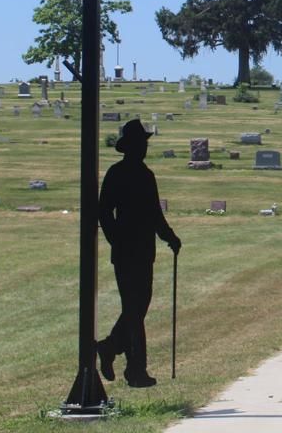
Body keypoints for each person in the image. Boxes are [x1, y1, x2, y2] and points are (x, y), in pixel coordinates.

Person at [96, 118, 181, 387]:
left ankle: (117, 353)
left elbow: (155, 215)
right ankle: (133, 367)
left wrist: (170, 237)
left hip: (143, 251)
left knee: (135, 309)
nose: (144, 148)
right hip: (128, 251)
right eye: (141, 143)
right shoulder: (121, 173)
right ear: (131, 146)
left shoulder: (145, 174)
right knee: (134, 309)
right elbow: (104, 211)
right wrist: (115, 239)